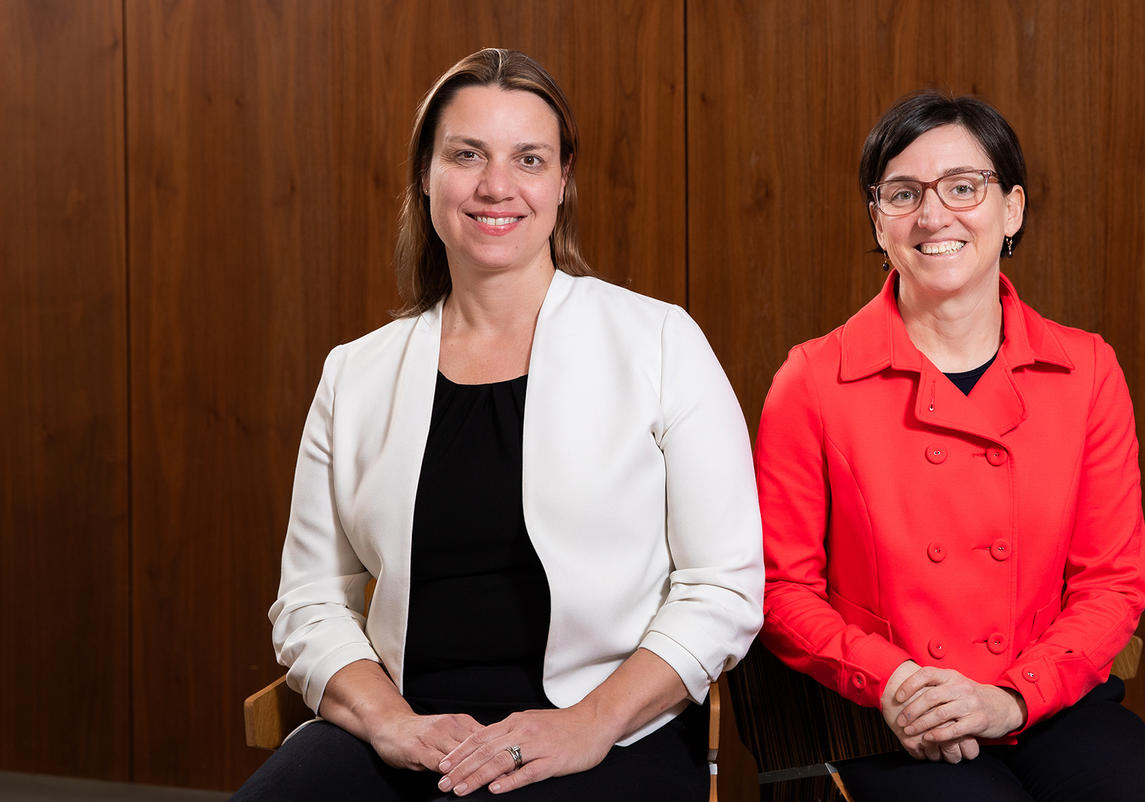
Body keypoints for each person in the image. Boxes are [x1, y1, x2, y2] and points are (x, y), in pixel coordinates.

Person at [234, 49, 763, 801]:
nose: (496, 186)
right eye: (467, 155)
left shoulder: (660, 343)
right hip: (412, 732)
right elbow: (310, 601)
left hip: (606, 737)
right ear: (426, 174)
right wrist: (389, 722)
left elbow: (723, 590)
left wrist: (587, 724)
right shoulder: (355, 374)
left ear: (563, 180)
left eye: (529, 158)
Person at [754, 91, 1145, 801]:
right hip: (889, 711)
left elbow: (1111, 585)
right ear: (879, 221)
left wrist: (1013, 698)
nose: (933, 216)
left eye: (963, 187)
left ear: (1012, 208)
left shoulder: (1087, 370)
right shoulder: (812, 380)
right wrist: (896, 682)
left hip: (1047, 699)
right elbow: (781, 591)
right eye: (904, 194)